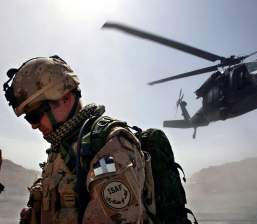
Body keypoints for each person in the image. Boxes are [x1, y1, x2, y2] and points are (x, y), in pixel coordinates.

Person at [3, 56, 155, 224]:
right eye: (28, 119)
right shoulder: (63, 148)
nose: (34, 125)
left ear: (66, 98)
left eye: (34, 115)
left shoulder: (109, 146)